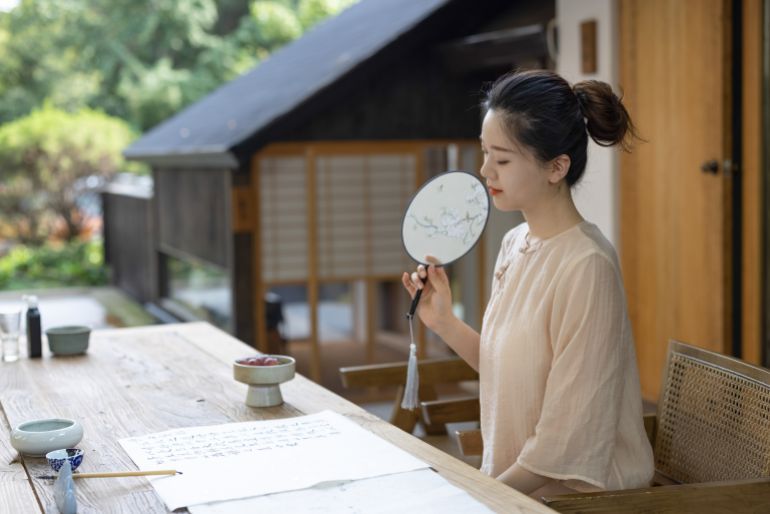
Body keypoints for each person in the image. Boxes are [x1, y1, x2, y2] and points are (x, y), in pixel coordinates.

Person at [402, 70, 654, 498]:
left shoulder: (587, 266)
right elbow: (511, 373)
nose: (485, 170)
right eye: (485, 153)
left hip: (583, 500)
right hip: (519, 489)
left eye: (502, 159)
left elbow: (567, 435)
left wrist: (480, 496)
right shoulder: (516, 242)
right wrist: (444, 321)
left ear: (557, 167)